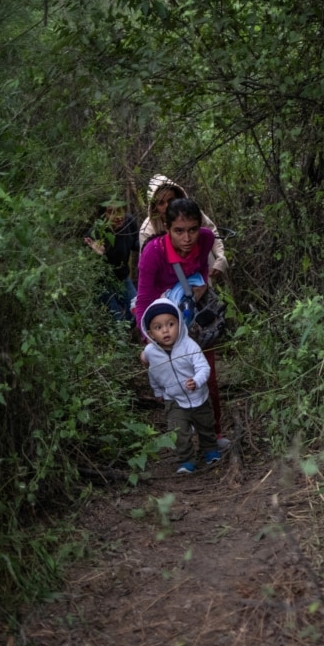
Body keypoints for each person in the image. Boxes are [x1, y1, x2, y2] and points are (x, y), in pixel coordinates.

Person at [136, 197, 230, 448]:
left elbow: (199, 269)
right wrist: (150, 342)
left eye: (192, 230)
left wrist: (199, 286)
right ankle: (185, 443)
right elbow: (144, 298)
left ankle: (214, 435)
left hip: (193, 318)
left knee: (206, 374)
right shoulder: (153, 253)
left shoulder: (206, 239)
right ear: (167, 229)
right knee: (175, 383)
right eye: (179, 231)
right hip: (164, 323)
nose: (187, 239)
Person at [140, 297, 220, 473]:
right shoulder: (151, 352)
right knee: (178, 432)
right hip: (174, 400)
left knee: (205, 426)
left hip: (198, 396)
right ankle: (186, 460)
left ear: (179, 324)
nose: (166, 331)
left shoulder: (189, 346)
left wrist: (197, 381)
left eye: (170, 324)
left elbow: (203, 368)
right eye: (158, 327)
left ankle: (210, 450)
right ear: (150, 333)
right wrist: (158, 392)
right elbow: (154, 372)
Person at [139, 174, 229, 282]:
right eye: (161, 203)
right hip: (168, 282)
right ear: (154, 207)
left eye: (170, 200)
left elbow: (211, 232)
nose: (167, 206)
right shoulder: (147, 230)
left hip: (199, 271)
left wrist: (220, 257)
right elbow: (146, 266)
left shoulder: (192, 215)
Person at [84, 200, 139, 322]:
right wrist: (97, 255)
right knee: (117, 320)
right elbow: (85, 266)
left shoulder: (129, 222)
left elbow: (136, 244)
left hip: (122, 277)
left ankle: (132, 334)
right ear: (103, 216)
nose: (118, 216)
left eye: (120, 210)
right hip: (102, 283)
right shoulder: (96, 232)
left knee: (138, 312)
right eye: (111, 212)